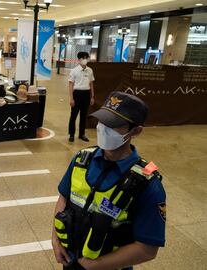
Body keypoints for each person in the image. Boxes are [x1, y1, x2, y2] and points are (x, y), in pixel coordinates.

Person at [52, 91, 166, 270]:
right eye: (102, 121)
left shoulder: (147, 184)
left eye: (113, 125)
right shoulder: (82, 160)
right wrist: (55, 240)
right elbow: (64, 198)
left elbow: (148, 249)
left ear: (135, 131)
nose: (102, 128)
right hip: (70, 259)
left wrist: (94, 265)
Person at [68, 51, 95, 143]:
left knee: (83, 116)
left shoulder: (90, 70)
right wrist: (71, 98)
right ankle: (71, 134)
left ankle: (81, 134)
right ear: (79, 60)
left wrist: (92, 97)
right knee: (73, 115)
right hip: (77, 94)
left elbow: (91, 84)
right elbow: (71, 85)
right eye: (83, 58)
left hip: (86, 94)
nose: (85, 60)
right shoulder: (74, 71)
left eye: (86, 58)